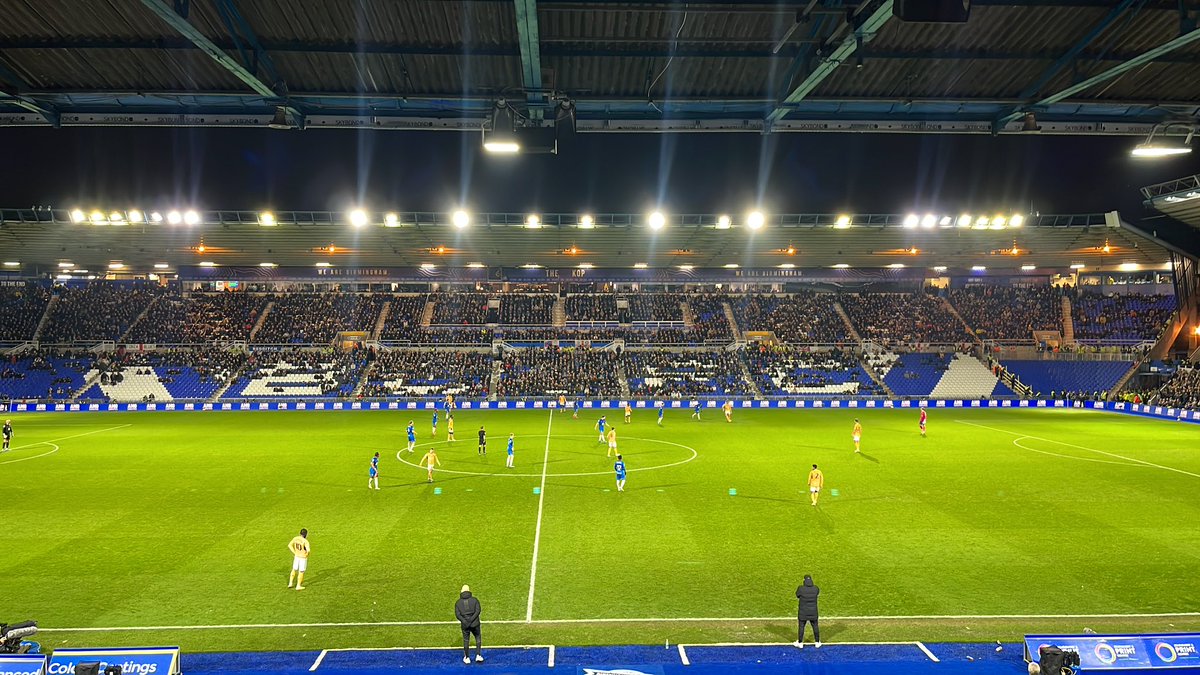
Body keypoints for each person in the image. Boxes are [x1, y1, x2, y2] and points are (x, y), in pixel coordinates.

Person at [455, 584, 483, 664]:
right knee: (478, 637)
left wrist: (465, 621)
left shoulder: (458, 602)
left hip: (465, 625)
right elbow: (478, 611)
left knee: (466, 640)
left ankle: (467, 658)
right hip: (475, 624)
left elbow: (458, 615)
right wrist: (471, 620)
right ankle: (478, 655)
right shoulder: (475, 600)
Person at [794, 574, 821, 648]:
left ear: (804, 580)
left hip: (803, 612)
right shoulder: (816, 588)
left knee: (801, 627)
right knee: (815, 626)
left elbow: (797, 595)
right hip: (813, 612)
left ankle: (800, 643)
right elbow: (817, 593)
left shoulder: (801, 588)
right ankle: (817, 642)